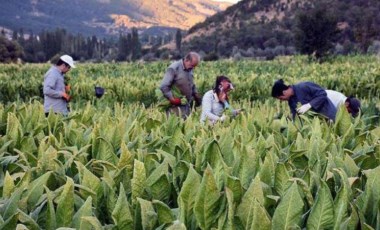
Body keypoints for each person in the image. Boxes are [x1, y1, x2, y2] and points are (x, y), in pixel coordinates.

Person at [159, 52, 202, 118]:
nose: (193, 68)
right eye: (192, 66)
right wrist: (172, 99)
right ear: (186, 60)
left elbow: (191, 84)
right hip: (175, 107)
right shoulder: (173, 68)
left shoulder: (189, 68)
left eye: (194, 66)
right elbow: (164, 86)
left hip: (186, 105)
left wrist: (196, 95)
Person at [271, 79, 337, 121]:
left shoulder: (303, 86)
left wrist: (309, 105)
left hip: (329, 115)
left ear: (284, 92)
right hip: (319, 122)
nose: (281, 100)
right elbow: (296, 116)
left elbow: (322, 94)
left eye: (281, 98)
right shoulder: (291, 101)